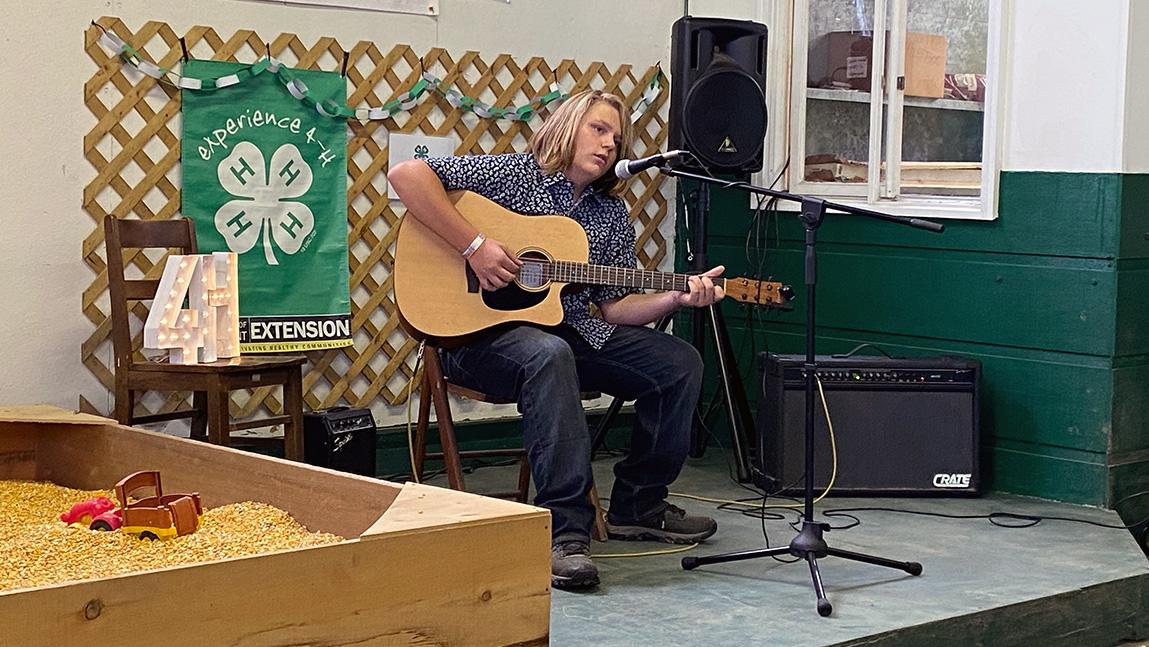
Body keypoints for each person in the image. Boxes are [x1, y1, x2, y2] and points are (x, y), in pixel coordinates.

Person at [388, 89, 725, 591]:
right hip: (476, 339)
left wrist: (676, 299)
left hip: (567, 333)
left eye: (618, 136)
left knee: (679, 363)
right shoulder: (511, 174)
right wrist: (475, 245)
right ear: (568, 126)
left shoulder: (608, 215)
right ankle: (564, 534)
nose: (611, 144)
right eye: (599, 129)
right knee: (550, 353)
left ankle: (639, 504)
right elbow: (405, 176)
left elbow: (614, 308)